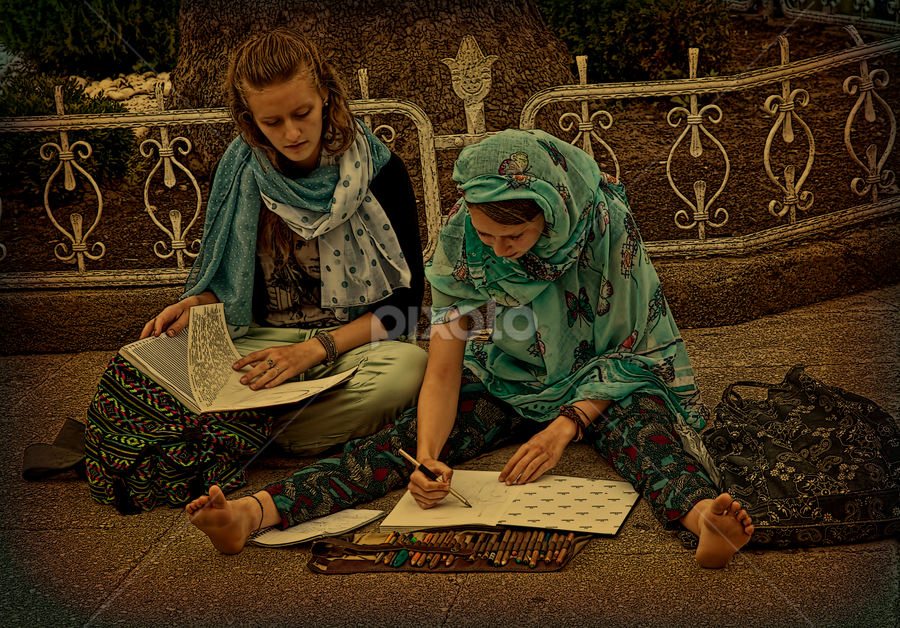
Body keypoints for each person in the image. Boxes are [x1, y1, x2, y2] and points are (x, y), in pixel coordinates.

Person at [187, 129, 753, 568]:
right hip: (508, 374)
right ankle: (254, 513)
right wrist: (429, 456)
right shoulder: (461, 237)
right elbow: (442, 368)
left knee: (647, 435)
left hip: (607, 379)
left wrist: (564, 427)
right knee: (396, 445)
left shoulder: (603, 225)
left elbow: (635, 347)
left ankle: (704, 519)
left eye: (515, 237)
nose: (499, 252)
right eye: (487, 236)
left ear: (550, 214)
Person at [108, 27, 428, 457]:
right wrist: (197, 303)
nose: (292, 133)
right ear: (249, 119)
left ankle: (229, 434)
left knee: (406, 370)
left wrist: (313, 350)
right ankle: (270, 430)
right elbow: (233, 289)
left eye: (303, 113)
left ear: (326, 96)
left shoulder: (380, 172)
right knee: (139, 367)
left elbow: (404, 310)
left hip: (347, 346)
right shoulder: (240, 173)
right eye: (272, 122)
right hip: (258, 342)